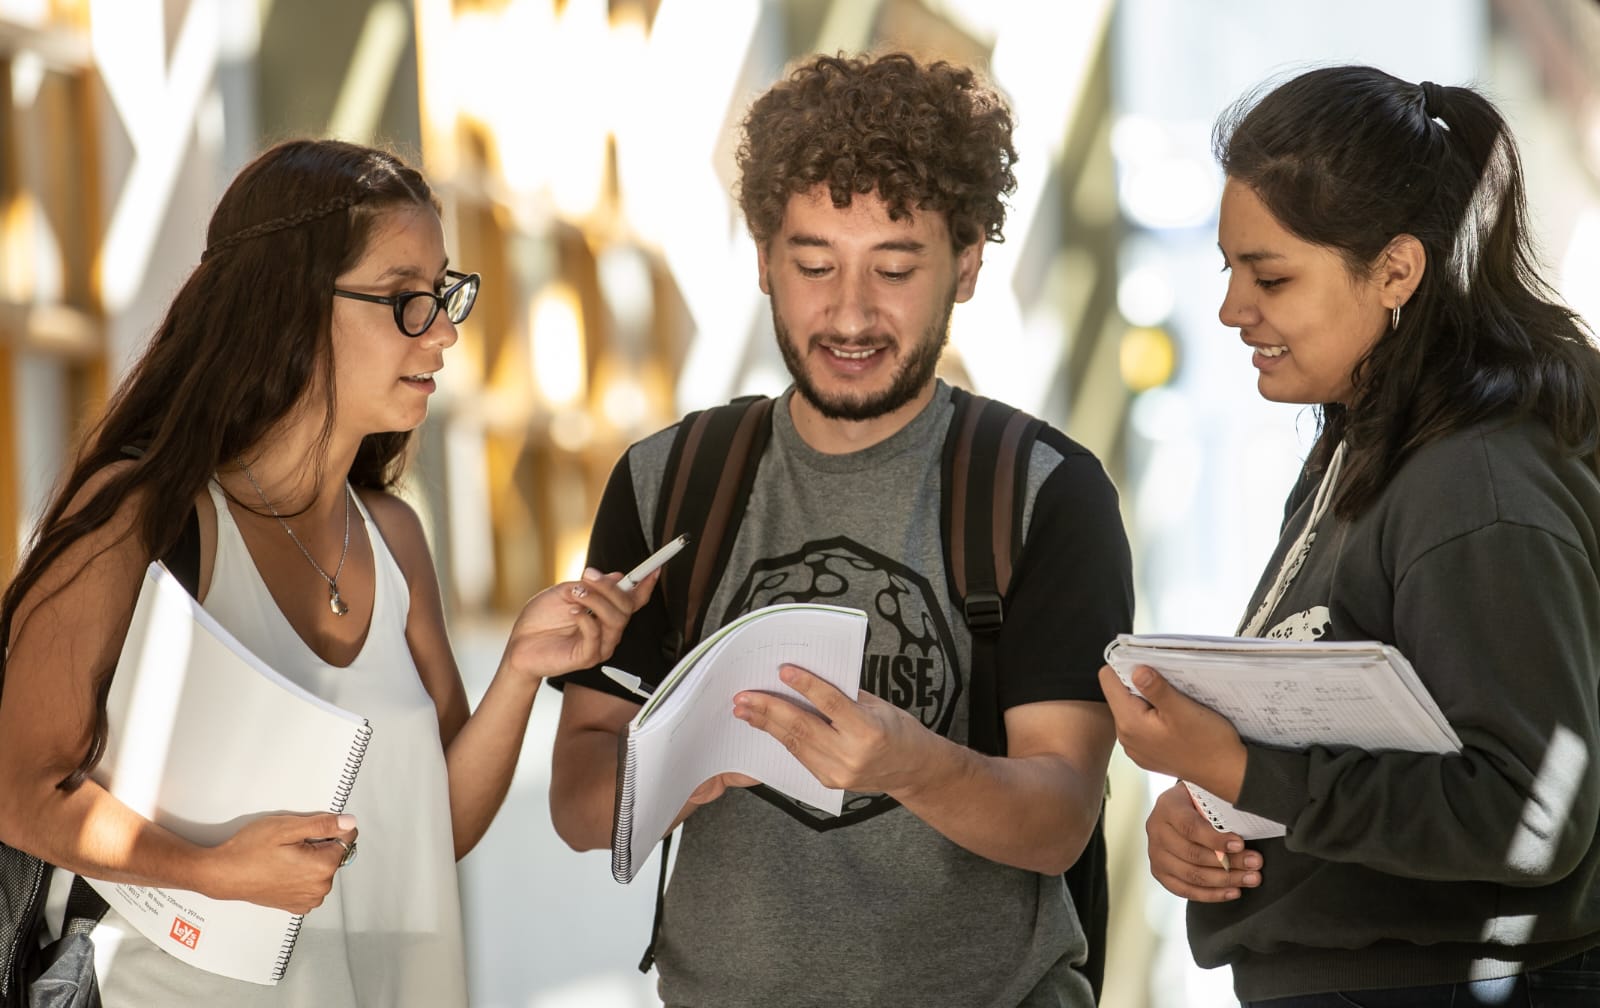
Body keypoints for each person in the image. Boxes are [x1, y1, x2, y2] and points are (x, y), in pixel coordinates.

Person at [0, 139, 650, 1006]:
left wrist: (522, 671)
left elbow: (433, 830)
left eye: (444, 293)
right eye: (405, 298)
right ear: (290, 302)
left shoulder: (396, 538)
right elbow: (21, 791)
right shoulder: (139, 515)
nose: (445, 331)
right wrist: (209, 868)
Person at [548, 52, 1133, 1008]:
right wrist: (681, 769)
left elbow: (1058, 820)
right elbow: (579, 805)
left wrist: (911, 766)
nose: (850, 313)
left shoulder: (1045, 493)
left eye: (894, 269)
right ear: (764, 260)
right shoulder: (669, 482)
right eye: (814, 265)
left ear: (968, 265)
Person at [1099, 65, 1600, 1006]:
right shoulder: (1364, 444)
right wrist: (1212, 809)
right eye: (1229, 270)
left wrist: (1236, 767)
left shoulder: (1477, 482)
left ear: (1397, 271)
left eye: (1271, 277)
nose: (1232, 309)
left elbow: (1533, 812)